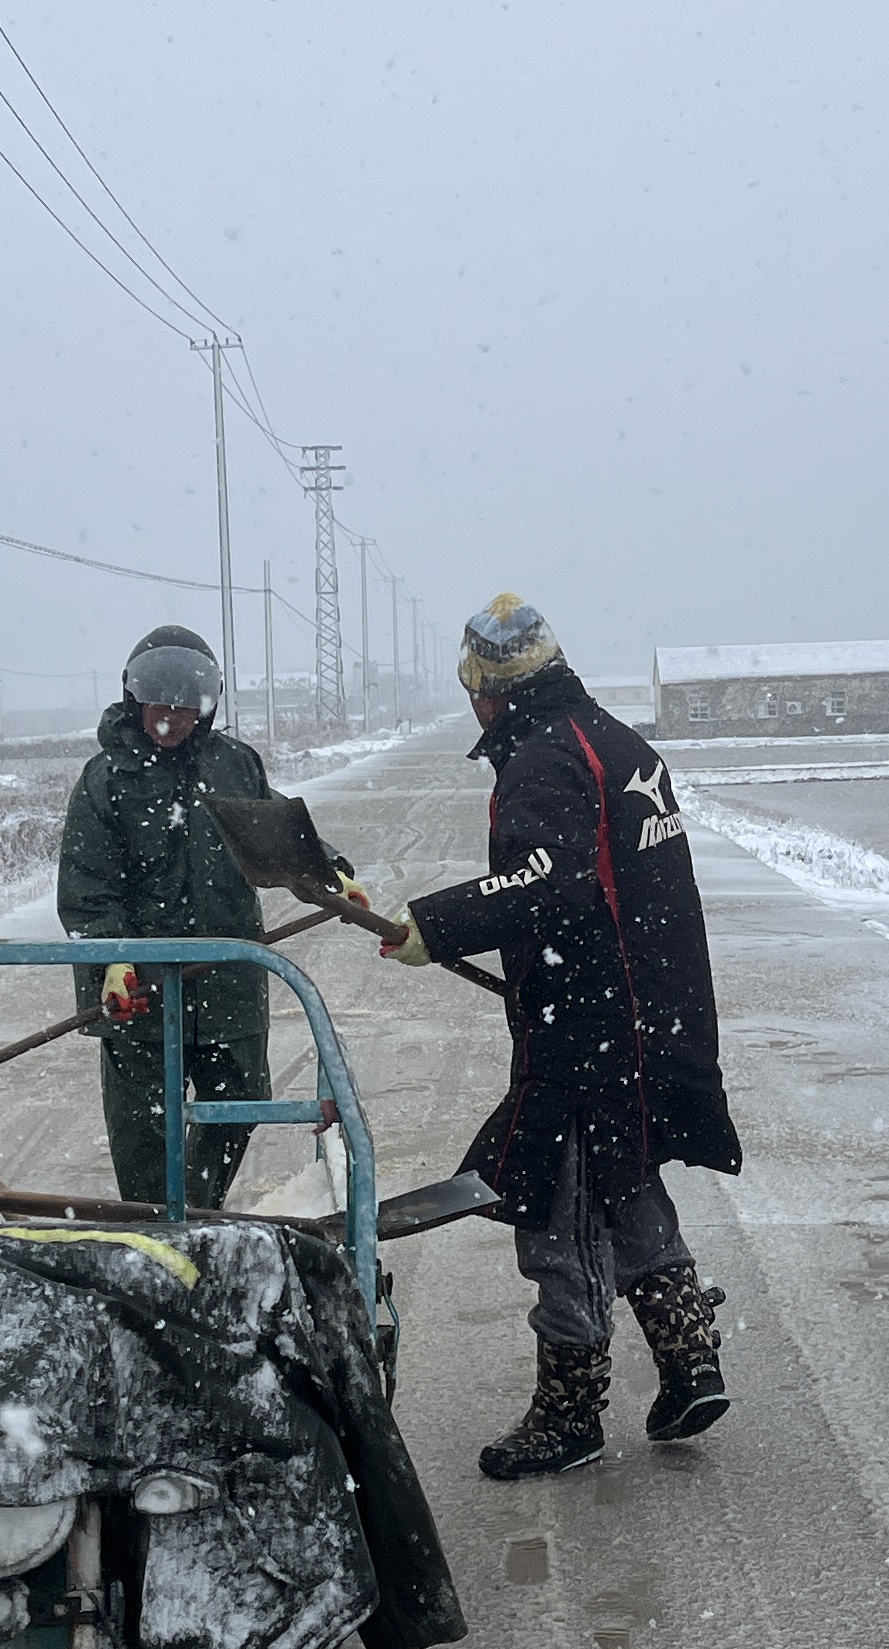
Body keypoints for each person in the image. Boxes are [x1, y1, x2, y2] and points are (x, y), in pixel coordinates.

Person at [381, 594, 741, 1479]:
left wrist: (433, 925)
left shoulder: (544, 759)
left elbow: (549, 884)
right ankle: (689, 1359)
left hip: (587, 1031)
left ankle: (569, 1414)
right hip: (654, 1015)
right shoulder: (616, 740)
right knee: (626, 1181)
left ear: (490, 690)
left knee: (559, 1214)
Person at [55, 626, 345, 1210]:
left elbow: (277, 835)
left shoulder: (234, 765)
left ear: (207, 707)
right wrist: (111, 957)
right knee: (146, 1131)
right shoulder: (105, 781)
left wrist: (331, 872)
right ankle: (159, 1229)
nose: (173, 720)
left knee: (239, 1103)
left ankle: (193, 1216)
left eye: (187, 709)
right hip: (140, 990)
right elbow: (87, 888)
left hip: (226, 982)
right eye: (161, 707)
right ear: (135, 700)